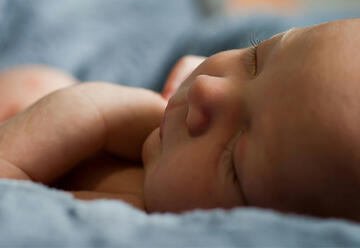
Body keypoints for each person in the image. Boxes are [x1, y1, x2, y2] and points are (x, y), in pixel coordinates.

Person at [1, 18, 360, 222]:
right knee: (44, 83)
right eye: (255, 57)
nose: (207, 89)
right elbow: (83, 108)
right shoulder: (147, 120)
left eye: (234, 160)